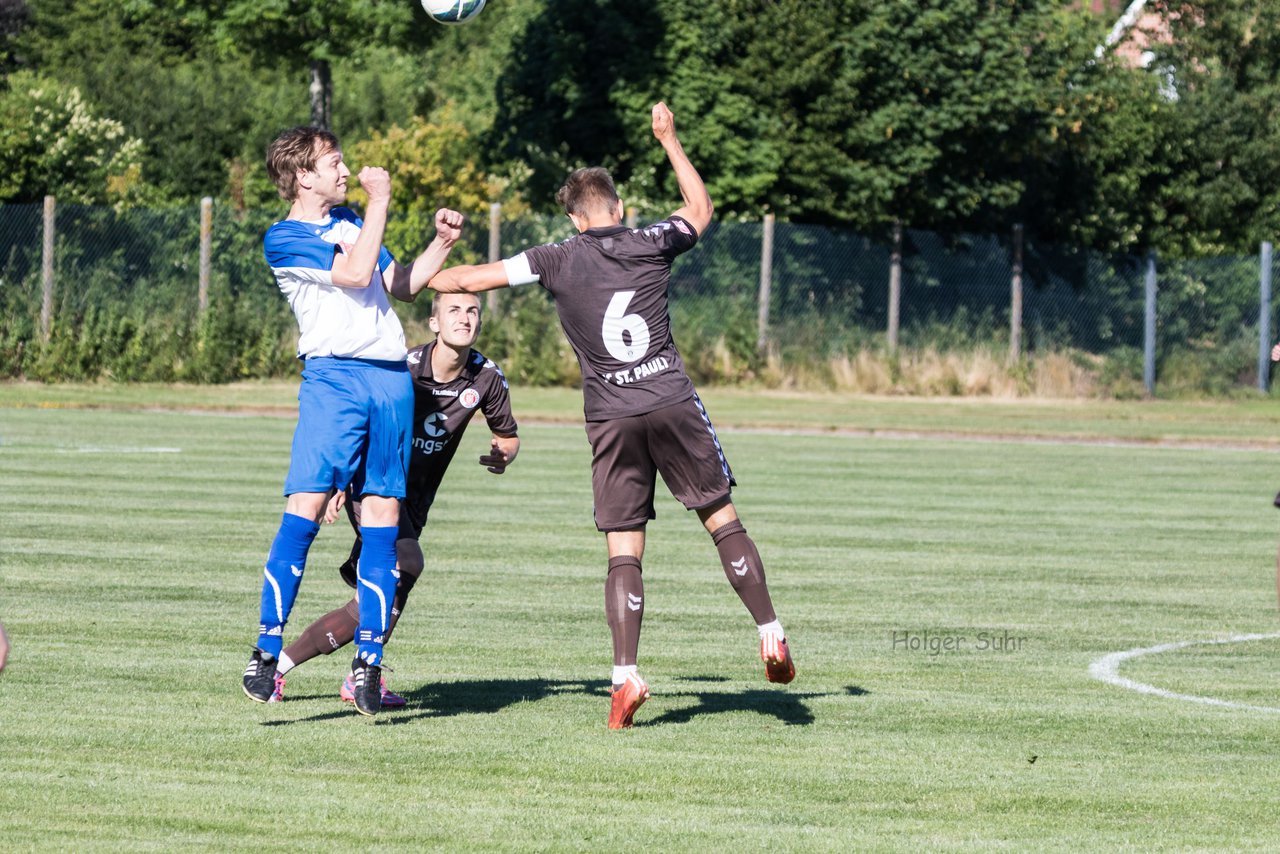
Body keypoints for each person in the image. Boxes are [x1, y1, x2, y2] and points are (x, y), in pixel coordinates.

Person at [426, 101, 795, 729]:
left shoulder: (554, 258)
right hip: (672, 399)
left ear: (573, 218)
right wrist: (670, 140)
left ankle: (625, 676)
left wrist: (418, 270)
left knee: (624, 551)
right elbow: (700, 210)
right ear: (618, 209)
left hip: (611, 417)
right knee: (720, 519)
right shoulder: (649, 240)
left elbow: (461, 279)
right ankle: (770, 630)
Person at [243, 125, 464, 717]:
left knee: (384, 522)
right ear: (302, 176)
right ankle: (266, 648)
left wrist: (440, 243)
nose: (345, 171)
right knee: (307, 509)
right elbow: (353, 274)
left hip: (390, 380)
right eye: (333, 163)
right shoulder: (285, 237)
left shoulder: (350, 225)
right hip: (335, 380)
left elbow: (403, 285)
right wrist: (381, 201)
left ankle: (368, 663)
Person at [266, 291, 520, 706]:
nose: (465, 318)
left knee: (373, 599)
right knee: (407, 562)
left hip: (415, 501)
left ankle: (289, 667)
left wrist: (503, 455)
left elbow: (508, 437)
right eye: (453, 310)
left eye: (472, 311)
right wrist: (340, 482)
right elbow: (359, 425)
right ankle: (360, 672)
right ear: (434, 322)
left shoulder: (486, 377)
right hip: (374, 484)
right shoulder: (402, 369)